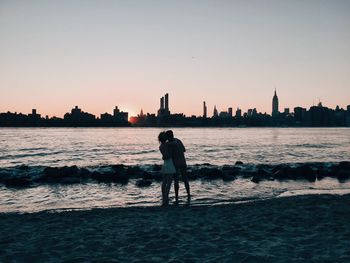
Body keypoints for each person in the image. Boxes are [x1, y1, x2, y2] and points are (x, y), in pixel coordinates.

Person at [165, 130, 190, 202]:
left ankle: (176, 197)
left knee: (176, 181)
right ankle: (188, 194)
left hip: (175, 163)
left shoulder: (168, 144)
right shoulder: (178, 140)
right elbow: (184, 150)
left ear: (168, 136)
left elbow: (168, 155)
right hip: (183, 161)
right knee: (185, 179)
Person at [158, 131, 176, 206]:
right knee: (169, 181)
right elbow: (175, 143)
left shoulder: (161, 146)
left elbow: (164, 156)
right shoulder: (167, 144)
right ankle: (166, 196)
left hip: (165, 163)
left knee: (164, 181)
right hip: (169, 163)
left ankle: (163, 195)